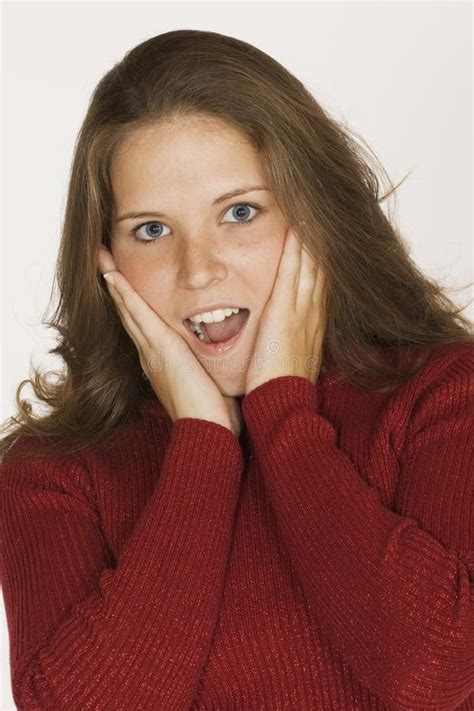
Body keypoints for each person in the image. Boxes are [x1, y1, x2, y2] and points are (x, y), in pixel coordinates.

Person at [0, 28, 473, 710]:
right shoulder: (53, 473)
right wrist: (201, 443)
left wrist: (283, 412)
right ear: (104, 260)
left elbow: (433, 673)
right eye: (152, 230)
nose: (199, 268)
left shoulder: (446, 397)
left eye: (241, 212)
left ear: (316, 217)